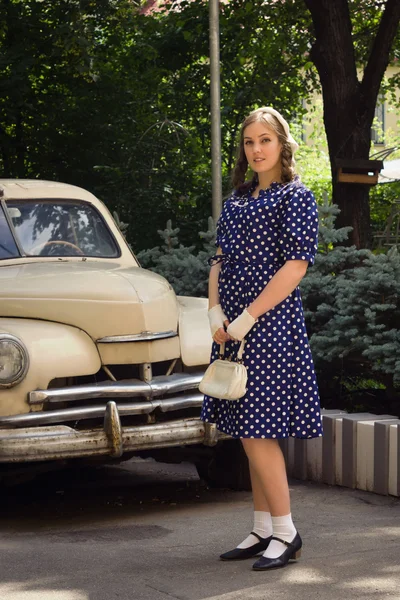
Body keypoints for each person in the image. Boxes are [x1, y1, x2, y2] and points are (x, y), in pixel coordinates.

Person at [200, 106, 323, 571]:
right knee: (248, 431)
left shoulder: (297, 197)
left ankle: (287, 533)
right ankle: (263, 527)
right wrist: (215, 311)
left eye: (265, 140)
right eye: (249, 142)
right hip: (231, 328)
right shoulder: (237, 200)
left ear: (282, 144)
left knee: (259, 432)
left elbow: (296, 266)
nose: (256, 149)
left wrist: (247, 317)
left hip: (267, 327)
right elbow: (218, 259)